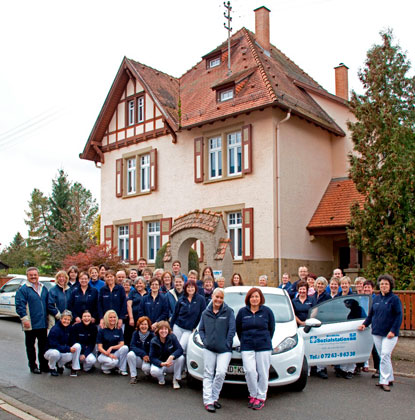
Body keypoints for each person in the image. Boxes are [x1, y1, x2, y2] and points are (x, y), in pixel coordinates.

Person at [358, 274, 402, 392]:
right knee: (384, 356)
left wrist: (393, 330)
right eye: (382, 284)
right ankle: (390, 377)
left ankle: (384, 381)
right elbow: (371, 315)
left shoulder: (394, 299)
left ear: (390, 286)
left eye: (386, 284)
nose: (383, 286)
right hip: (377, 332)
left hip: (389, 334)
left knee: (385, 355)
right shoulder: (376, 299)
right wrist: (365, 324)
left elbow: (399, 316)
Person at [236, 288, 275, 410]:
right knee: (250, 371)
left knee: (263, 372)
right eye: (252, 297)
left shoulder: (267, 311)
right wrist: (244, 340)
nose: (254, 299)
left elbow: (271, 328)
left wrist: (264, 339)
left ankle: (261, 396)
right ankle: (253, 394)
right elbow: (239, 329)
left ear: (260, 298)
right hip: (247, 346)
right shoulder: (242, 312)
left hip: (263, 346)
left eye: (257, 296)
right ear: (248, 299)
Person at [199, 288, 235, 413]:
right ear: (212, 297)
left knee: (220, 373)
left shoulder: (229, 312)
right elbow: (201, 329)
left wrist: (227, 343)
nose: (218, 299)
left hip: (224, 350)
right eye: (217, 297)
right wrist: (205, 341)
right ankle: (208, 401)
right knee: (208, 374)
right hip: (209, 348)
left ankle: (214, 397)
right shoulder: (205, 313)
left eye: (221, 297)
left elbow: (232, 330)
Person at [15, 267, 49, 374]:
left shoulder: (43, 288)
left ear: (38, 275)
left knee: (43, 346)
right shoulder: (23, 290)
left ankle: (44, 365)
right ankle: (33, 366)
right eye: (31, 275)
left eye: (35, 275)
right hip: (30, 323)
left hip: (42, 323)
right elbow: (20, 306)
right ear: (27, 276)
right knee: (30, 347)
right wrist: (25, 319)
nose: (33, 277)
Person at [170, 280, 206, 354]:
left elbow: (202, 315)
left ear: (195, 288)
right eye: (188, 287)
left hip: (189, 330)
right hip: (178, 327)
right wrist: (170, 328)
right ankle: (176, 364)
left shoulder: (200, 299)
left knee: (181, 347)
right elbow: (175, 314)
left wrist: (196, 327)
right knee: (175, 347)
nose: (190, 289)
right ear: (185, 288)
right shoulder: (181, 299)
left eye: (192, 287)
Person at [44, 310, 81, 377]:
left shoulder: (70, 328)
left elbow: (72, 341)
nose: (66, 321)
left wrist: (71, 348)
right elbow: (54, 345)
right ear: (61, 319)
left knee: (76, 347)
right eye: (65, 319)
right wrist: (68, 349)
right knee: (55, 353)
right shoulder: (55, 329)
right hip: (51, 351)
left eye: (68, 320)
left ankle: (61, 366)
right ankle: (52, 368)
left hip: (62, 350)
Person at [149, 321, 185, 389]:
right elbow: (152, 357)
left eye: (165, 329)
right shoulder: (154, 341)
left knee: (181, 358)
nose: (163, 331)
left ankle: (175, 380)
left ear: (168, 330)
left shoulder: (172, 337)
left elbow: (180, 350)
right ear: (158, 330)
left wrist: (172, 356)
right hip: (161, 364)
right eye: (161, 329)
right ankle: (161, 378)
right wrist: (161, 363)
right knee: (154, 371)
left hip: (170, 364)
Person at [97, 310, 129, 375]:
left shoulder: (119, 329)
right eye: (110, 317)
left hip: (114, 353)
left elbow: (122, 343)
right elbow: (99, 347)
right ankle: (104, 367)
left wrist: (112, 347)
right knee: (114, 362)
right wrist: (108, 354)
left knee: (125, 348)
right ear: (106, 318)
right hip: (103, 354)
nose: (113, 319)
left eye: (114, 317)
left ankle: (122, 369)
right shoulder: (102, 330)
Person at [127, 316, 154, 384]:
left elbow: (153, 349)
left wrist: (147, 356)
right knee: (130, 354)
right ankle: (133, 376)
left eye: (145, 324)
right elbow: (132, 346)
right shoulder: (135, 334)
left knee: (146, 368)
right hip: (139, 357)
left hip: (148, 359)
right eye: (141, 324)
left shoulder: (152, 335)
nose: (143, 326)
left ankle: (148, 374)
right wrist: (143, 354)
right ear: (139, 325)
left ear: (148, 326)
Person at [362, 279, 380, 376]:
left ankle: (378, 369)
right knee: (362, 345)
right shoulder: (361, 298)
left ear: (372, 289)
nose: (367, 289)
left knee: (375, 348)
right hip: (363, 324)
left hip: (373, 325)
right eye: (365, 287)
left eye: (369, 287)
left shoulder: (376, 299)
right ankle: (359, 366)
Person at [122, 278, 134, 346]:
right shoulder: (120, 294)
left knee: (129, 335)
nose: (125, 286)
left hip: (130, 319)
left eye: (127, 285)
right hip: (122, 318)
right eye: (124, 285)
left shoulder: (132, 294)